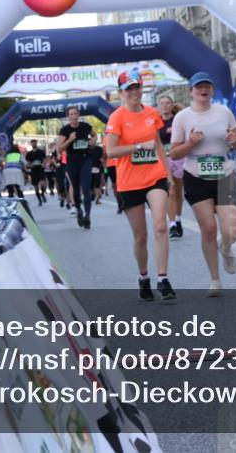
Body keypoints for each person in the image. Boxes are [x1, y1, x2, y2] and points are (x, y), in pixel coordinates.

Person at [169, 72, 236, 297]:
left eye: (207, 86)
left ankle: (227, 247)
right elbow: (174, 153)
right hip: (196, 176)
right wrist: (190, 143)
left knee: (231, 230)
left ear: (212, 90)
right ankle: (215, 280)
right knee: (209, 230)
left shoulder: (224, 112)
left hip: (225, 174)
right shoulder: (182, 117)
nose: (203, 90)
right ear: (191, 91)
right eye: (199, 87)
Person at [106, 70, 176, 301]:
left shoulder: (151, 113)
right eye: (129, 88)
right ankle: (143, 276)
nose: (134, 92)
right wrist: (137, 147)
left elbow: (157, 145)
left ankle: (163, 279)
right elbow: (111, 151)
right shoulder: (116, 117)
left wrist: (168, 174)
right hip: (129, 182)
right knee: (141, 236)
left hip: (155, 176)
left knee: (160, 226)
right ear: (121, 92)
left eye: (137, 87)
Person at [56, 106, 95, 229]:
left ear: (79, 115)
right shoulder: (65, 130)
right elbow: (59, 149)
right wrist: (69, 140)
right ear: (68, 116)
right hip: (72, 161)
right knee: (76, 188)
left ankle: (87, 215)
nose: (73, 116)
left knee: (86, 187)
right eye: (71, 114)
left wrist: (93, 141)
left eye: (75, 113)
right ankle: (78, 210)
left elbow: (94, 136)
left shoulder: (85, 126)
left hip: (85, 159)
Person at [157, 94, 186, 240]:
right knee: (171, 191)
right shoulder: (156, 121)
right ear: (159, 106)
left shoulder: (178, 119)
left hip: (179, 158)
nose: (164, 105)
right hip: (164, 160)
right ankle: (172, 224)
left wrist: (175, 132)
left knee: (179, 193)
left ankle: (178, 219)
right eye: (162, 103)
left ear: (172, 104)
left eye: (167, 103)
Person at [25, 139, 48, 205]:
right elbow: (28, 162)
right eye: (32, 143)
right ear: (31, 144)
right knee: (36, 187)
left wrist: (43, 164)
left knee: (42, 183)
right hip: (34, 171)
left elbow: (45, 159)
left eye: (34, 143)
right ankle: (39, 200)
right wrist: (30, 165)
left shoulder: (41, 151)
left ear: (36, 143)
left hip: (40, 169)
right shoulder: (29, 153)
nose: (33, 144)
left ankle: (42, 194)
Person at [88, 133, 105, 205]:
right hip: (89, 168)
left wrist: (103, 160)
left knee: (98, 184)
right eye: (90, 141)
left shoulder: (99, 149)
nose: (91, 142)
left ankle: (97, 199)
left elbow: (104, 157)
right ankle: (91, 195)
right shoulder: (86, 149)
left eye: (93, 141)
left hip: (98, 167)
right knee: (90, 184)